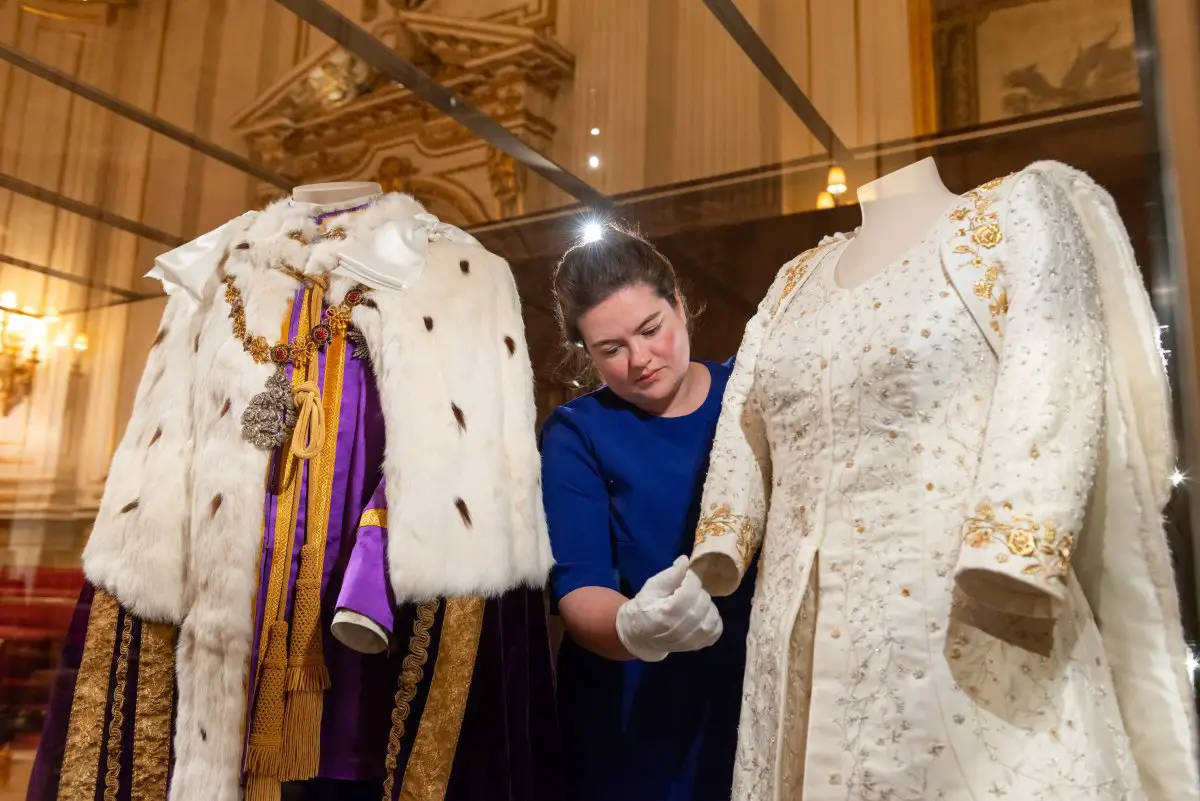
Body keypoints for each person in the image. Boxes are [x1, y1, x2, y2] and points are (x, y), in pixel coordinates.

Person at [539, 223, 750, 801]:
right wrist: (635, 627)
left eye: (651, 330)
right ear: (586, 352)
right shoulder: (576, 433)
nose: (640, 360)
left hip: (751, 686)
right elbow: (579, 587)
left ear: (679, 303)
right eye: (610, 349)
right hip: (632, 710)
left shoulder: (748, 398)